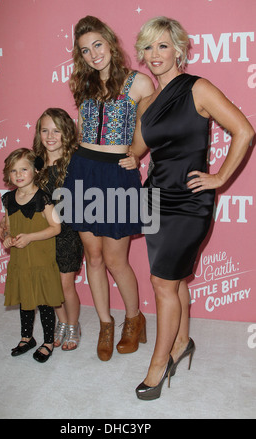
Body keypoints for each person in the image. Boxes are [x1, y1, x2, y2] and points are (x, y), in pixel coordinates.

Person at [131, 16, 254, 399]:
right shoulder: (146, 101)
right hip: (155, 198)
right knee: (174, 279)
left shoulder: (197, 88)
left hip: (188, 203)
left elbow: (244, 131)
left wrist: (218, 178)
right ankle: (182, 342)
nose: (155, 54)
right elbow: (135, 153)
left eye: (163, 45)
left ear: (178, 49)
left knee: (162, 283)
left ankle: (159, 363)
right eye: (148, 47)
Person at [62, 15, 155, 361]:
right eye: (85, 50)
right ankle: (105, 322)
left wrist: (137, 153)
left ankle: (134, 319)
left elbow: (149, 128)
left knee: (116, 259)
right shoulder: (83, 84)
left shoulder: (139, 84)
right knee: (94, 256)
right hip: (84, 171)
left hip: (117, 174)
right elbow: (83, 128)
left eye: (97, 45)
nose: (93, 54)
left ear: (111, 43)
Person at [1, 148, 64, 363]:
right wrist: (7, 238)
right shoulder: (8, 199)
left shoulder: (43, 198)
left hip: (41, 260)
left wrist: (30, 237)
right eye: (13, 170)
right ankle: (27, 338)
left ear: (35, 171)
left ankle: (48, 341)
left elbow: (56, 228)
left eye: (23, 169)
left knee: (45, 304)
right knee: (25, 302)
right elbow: (7, 226)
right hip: (20, 262)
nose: (18, 175)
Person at [33, 108, 84, 351]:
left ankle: (74, 326)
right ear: (38, 133)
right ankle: (61, 323)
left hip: (69, 233)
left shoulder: (75, 161)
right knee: (51, 284)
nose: (50, 136)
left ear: (67, 133)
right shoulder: (35, 162)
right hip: (44, 234)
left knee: (65, 285)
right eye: (45, 130)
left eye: (56, 130)